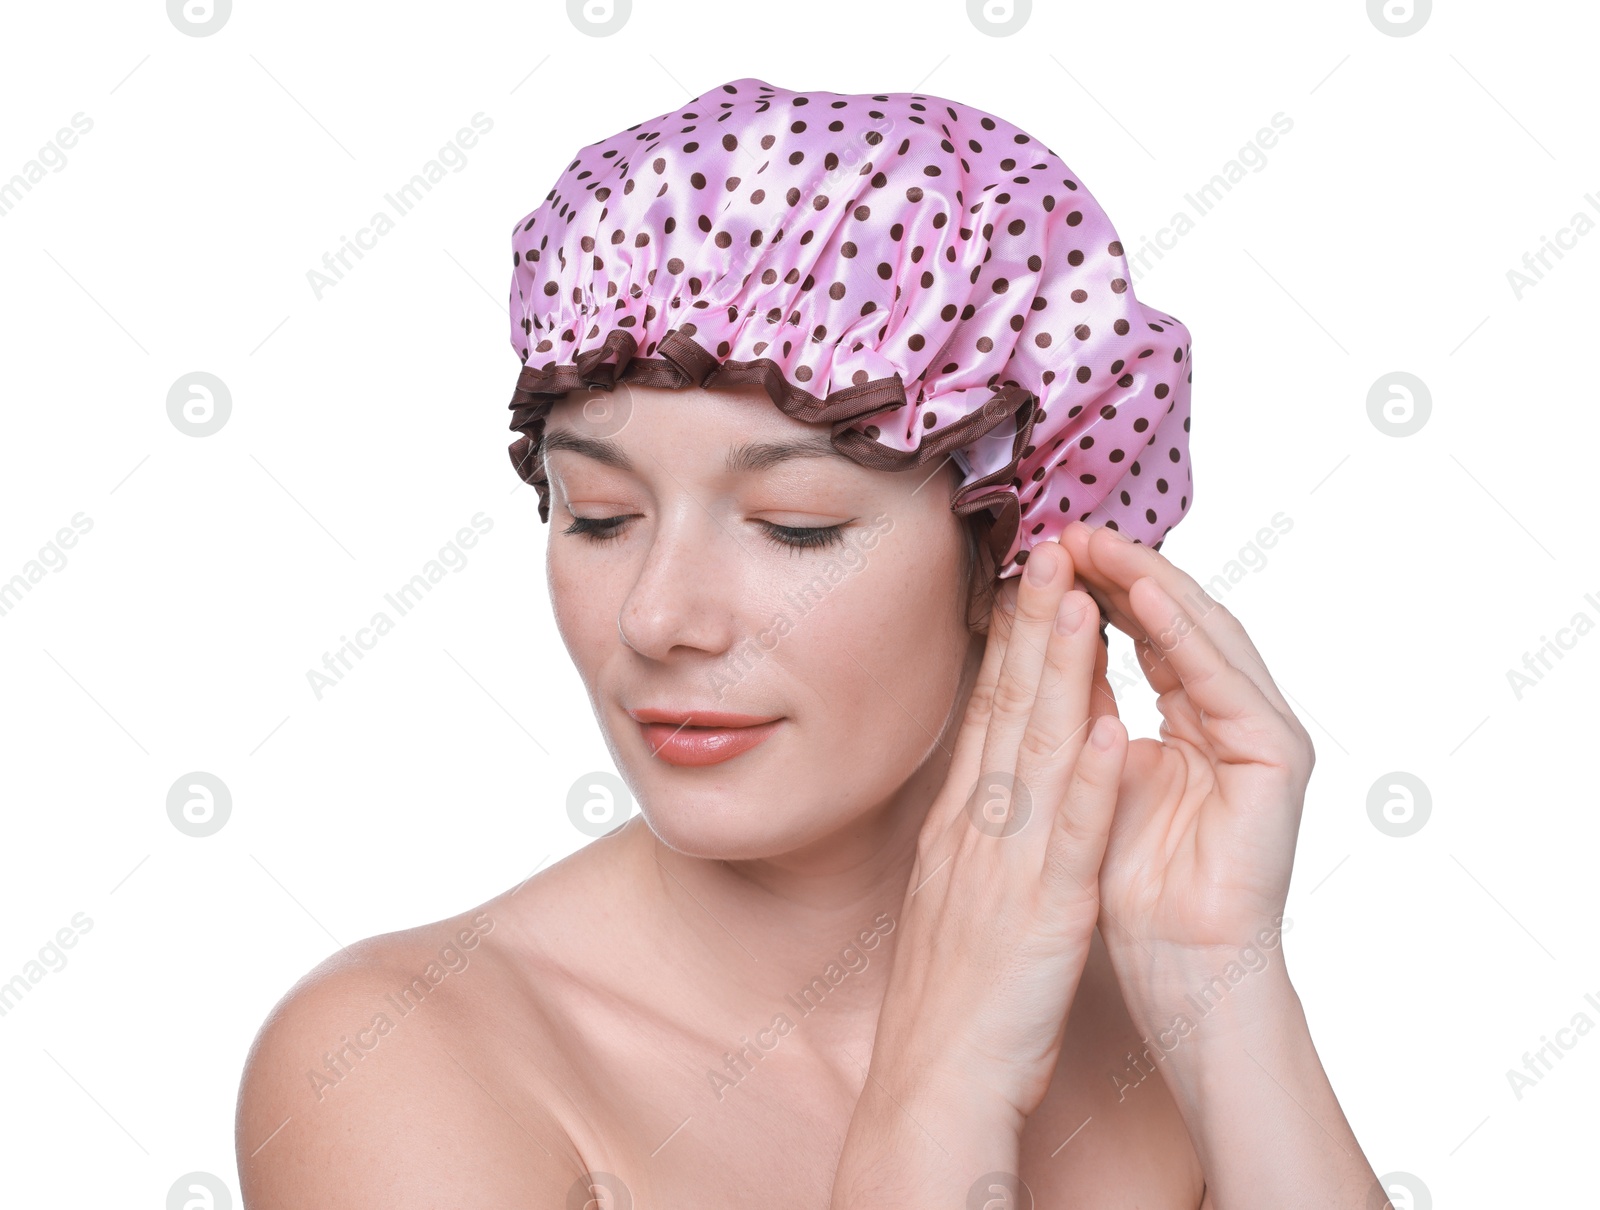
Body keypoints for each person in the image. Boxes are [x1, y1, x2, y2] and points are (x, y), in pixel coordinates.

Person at [236, 78, 1385, 1207]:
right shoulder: (398, 1062)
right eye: (597, 516)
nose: (657, 617)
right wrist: (936, 1101)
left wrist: (1214, 977)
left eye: (795, 528)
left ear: (1015, 555)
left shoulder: (1149, 1035)